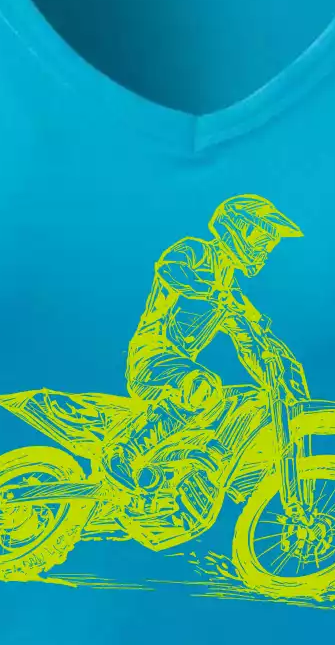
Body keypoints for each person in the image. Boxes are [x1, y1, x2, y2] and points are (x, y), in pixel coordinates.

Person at [105, 195, 309, 541]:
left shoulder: (230, 288)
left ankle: (189, 471)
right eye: (262, 237)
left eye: (270, 242)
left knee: (245, 399)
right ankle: (125, 452)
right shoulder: (196, 251)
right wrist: (210, 291)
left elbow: (248, 340)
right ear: (237, 228)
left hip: (180, 369)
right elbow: (170, 270)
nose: (266, 248)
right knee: (204, 385)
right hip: (152, 357)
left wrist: (276, 370)